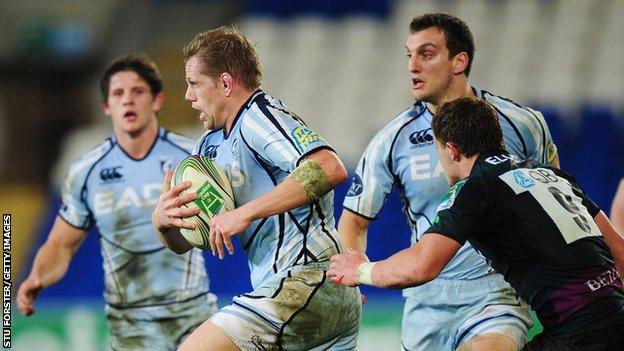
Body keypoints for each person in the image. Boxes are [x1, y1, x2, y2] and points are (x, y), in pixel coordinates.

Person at [329, 96, 624, 351]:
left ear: (452, 150)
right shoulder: (553, 175)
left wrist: (360, 270)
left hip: (577, 333)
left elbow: (421, 266)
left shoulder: (475, 189)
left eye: (439, 150)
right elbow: (620, 252)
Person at [338, 13, 560, 351]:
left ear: (460, 61)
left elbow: (558, 197)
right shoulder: (391, 140)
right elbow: (354, 220)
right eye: (408, 55)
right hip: (426, 299)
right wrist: (351, 282)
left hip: (495, 293)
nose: (413, 66)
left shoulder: (522, 124)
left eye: (426, 54)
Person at [152, 26, 361, 351]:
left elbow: (329, 166)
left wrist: (244, 213)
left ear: (225, 83)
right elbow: (192, 240)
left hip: (309, 279)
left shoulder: (258, 116)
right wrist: (164, 222)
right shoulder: (208, 147)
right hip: (293, 291)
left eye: (194, 84)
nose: (188, 96)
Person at [16, 55, 218, 350]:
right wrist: (37, 276)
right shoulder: (86, 172)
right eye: (118, 94)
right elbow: (61, 243)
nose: (128, 101)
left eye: (137, 92)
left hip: (192, 316)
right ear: (106, 106)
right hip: (129, 327)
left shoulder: (192, 157)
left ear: (157, 100)